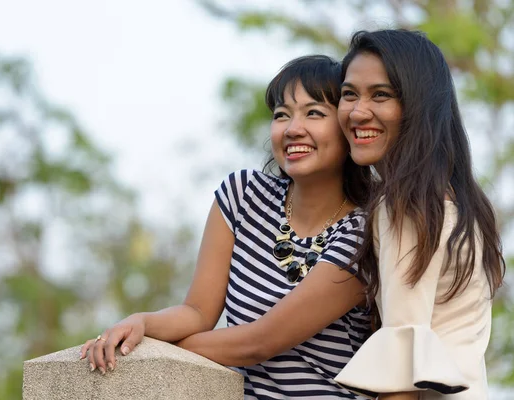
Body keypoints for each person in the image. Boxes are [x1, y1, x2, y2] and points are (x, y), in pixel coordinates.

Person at [80, 55, 374, 398]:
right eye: (282, 115)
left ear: (346, 126)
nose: (293, 129)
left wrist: (151, 347)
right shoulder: (243, 195)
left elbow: (260, 342)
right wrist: (140, 323)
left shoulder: (363, 232)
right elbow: (198, 311)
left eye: (314, 113)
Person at [333, 29, 506, 400]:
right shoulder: (461, 200)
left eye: (381, 95)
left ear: (418, 104)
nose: (358, 111)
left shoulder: (406, 203)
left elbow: (402, 358)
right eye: (349, 94)